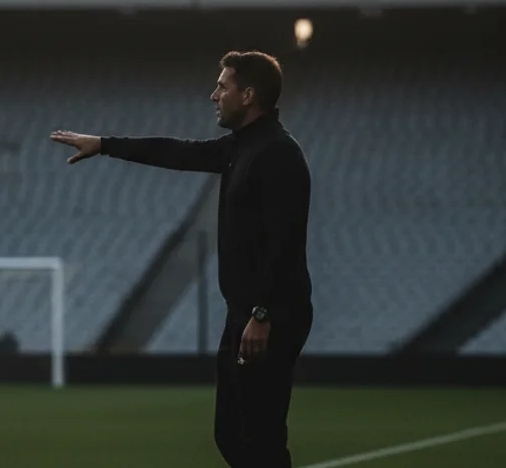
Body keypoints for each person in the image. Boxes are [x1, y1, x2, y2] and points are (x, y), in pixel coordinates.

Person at [50, 50, 313, 468]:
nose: (213, 95)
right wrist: (104, 145)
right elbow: (179, 152)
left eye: (222, 87)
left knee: (260, 437)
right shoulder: (240, 148)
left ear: (247, 96)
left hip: (270, 313)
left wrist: (263, 314)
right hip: (245, 311)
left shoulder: (278, 154)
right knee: (231, 434)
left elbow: (285, 243)